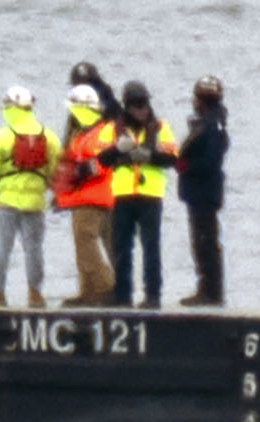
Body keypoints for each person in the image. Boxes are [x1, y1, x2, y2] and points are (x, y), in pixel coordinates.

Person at [0, 87, 53, 307]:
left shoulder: (1, 137)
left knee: (1, 248)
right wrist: (55, 192)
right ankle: (35, 294)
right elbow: (57, 169)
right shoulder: (49, 136)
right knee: (34, 249)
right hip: (35, 203)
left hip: (6, 202)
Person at [52, 66, 118, 300]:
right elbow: (70, 156)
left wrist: (81, 171)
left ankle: (107, 285)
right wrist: (61, 189)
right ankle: (89, 290)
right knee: (83, 245)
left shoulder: (104, 127)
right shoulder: (83, 129)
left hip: (96, 194)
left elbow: (104, 159)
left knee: (89, 243)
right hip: (82, 194)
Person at [107, 85, 172, 305]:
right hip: (123, 195)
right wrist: (117, 149)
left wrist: (151, 155)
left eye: (144, 104)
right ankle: (122, 296)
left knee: (151, 248)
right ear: (127, 106)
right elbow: (102, 159)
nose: (142, 110)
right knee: (122, 248)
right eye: (136, 105)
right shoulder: (114, 128)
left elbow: (172, 158)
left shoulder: (161, 127)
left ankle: (153, 296)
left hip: (150, 196)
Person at [177, 79, 232, 306]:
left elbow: (211, 162)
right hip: (197, 192)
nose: (193, 102)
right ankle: (206, 288)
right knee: (201, 241)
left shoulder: (213, 126)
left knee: (206, 241)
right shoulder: (206, 124)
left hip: (205, 193)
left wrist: (186, 166)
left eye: (196, 98)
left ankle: (211, 292)